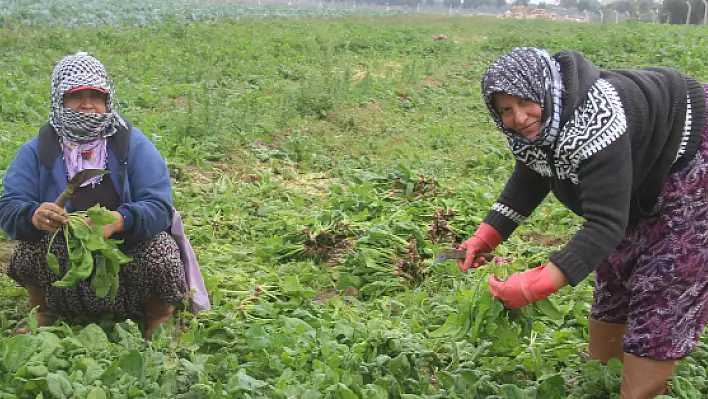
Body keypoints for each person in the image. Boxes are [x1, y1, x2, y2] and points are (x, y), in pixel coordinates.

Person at [457, 47, 707, 398]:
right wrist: (486, 237)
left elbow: (605, 223)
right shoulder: (539, 127)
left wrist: (535, 285)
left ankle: (643, 390)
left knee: (668, 274)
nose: (520, 118)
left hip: (692, 145)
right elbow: (531, 176)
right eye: (505, 111)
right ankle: (603, 377)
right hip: (642, 155)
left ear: (544, 89)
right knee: (616, 263)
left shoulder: (596, 120)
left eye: (526, 103)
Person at [0, 52, 188, 339]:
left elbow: (160, 206)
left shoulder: (132, 144)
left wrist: (120, 220)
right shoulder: (38, 150)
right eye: (76, 95)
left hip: (124, 256)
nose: (87, 104)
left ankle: (158, 314)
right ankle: (46, 311)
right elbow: (9, 207)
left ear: (107, 100)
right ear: (59, 100)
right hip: (66, 262)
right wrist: (33, 215)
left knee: (160, 247)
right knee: (27, 249)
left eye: (96, 96)